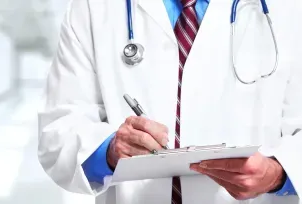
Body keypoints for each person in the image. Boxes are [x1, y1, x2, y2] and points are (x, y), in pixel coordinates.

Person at [37, 0, 302, 203]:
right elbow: (59, 131)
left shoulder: (289, 9)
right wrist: (110, 151)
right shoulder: (94, 8)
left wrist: (278, 173)